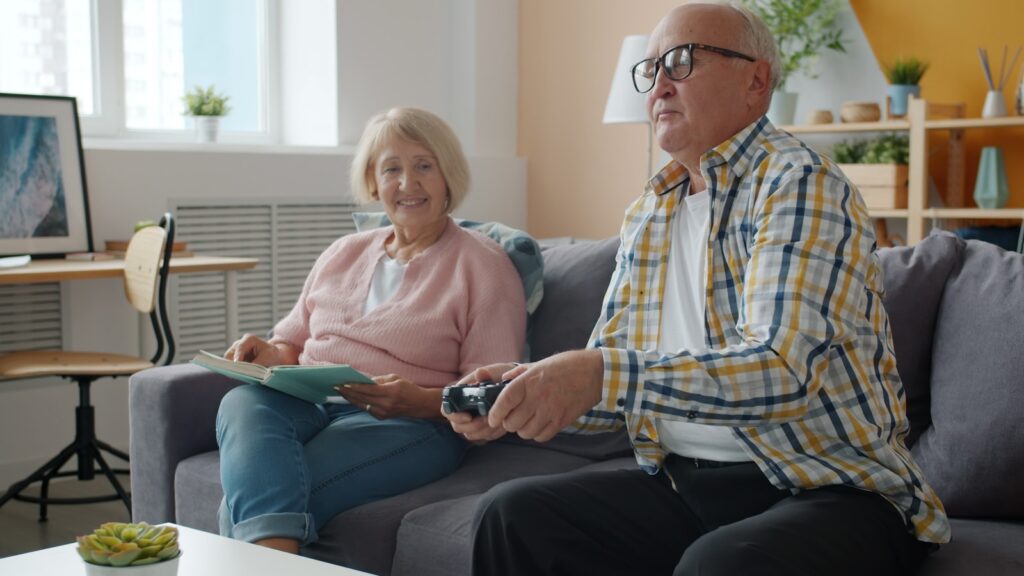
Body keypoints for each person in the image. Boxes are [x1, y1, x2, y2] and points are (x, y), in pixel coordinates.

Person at [444, 2, 950, 575]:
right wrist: (524, 393)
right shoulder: (648, 213)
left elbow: (782, 372)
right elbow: (610, 387)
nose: (658, 84)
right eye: (651, 67)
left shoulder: (799, 183)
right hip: (690, 486)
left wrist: (600, 373)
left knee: (720, 564)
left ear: (755, 80)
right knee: (512, 515)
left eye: (681, 61)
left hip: (830, 490)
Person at [216, 107, 527, 554]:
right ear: (373, 181)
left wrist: (419, 400)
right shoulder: (343, 252)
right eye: (392, 169)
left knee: (242, 507)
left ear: (448, 176)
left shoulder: (483, 265)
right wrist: (264, 352)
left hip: (407, 422)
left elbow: (491, 391)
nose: (407, 183)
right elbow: (291, 343)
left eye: (424, 165)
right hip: (308, 402)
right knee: (242, 401)